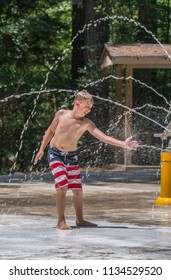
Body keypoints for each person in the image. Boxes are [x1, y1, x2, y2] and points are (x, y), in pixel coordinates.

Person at [34, 90, 139, 230]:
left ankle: (80, 220)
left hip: (71, 156)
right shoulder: (61, 114)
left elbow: (103, 137)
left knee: (77, 189)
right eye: (86, 107)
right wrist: (41, 149)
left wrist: (123, 144)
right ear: (77, 103)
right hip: (55, 153)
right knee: (62, 184)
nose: (88, 111)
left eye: (90, 108)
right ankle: (61, 221)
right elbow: (50, 131)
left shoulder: (86, 123)